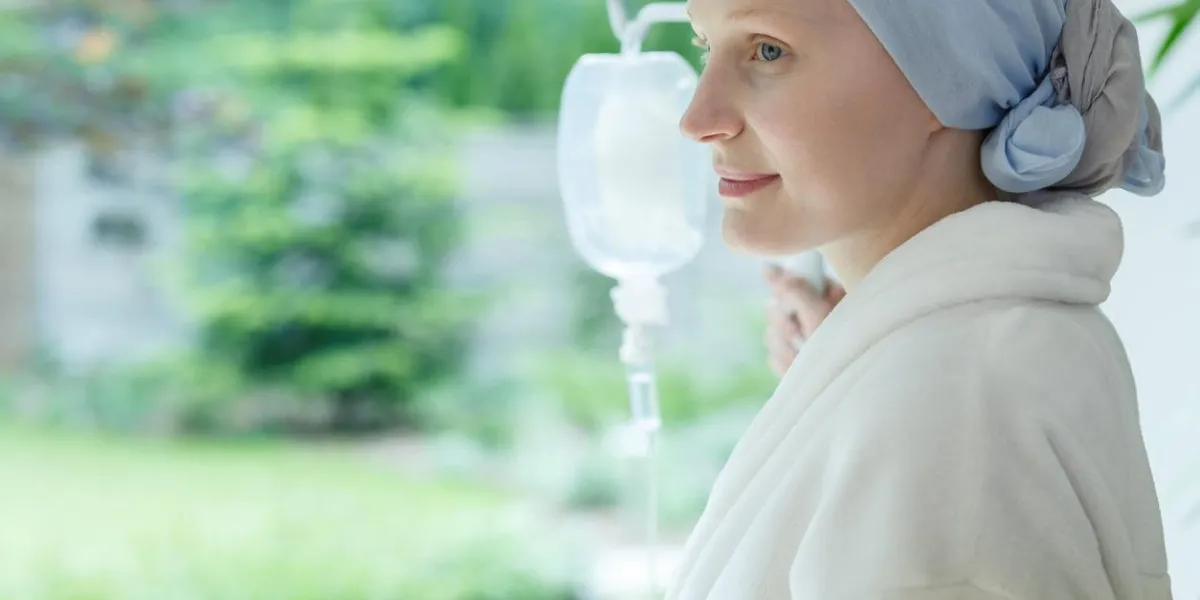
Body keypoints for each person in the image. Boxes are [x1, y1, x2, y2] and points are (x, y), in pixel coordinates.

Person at [668, 0, 1174, 598]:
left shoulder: (957, 412)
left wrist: (897, 396)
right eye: (706, 47)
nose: (698, 118)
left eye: (768, 50)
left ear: (947, 77)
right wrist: (849, 374)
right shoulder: (976, 364)